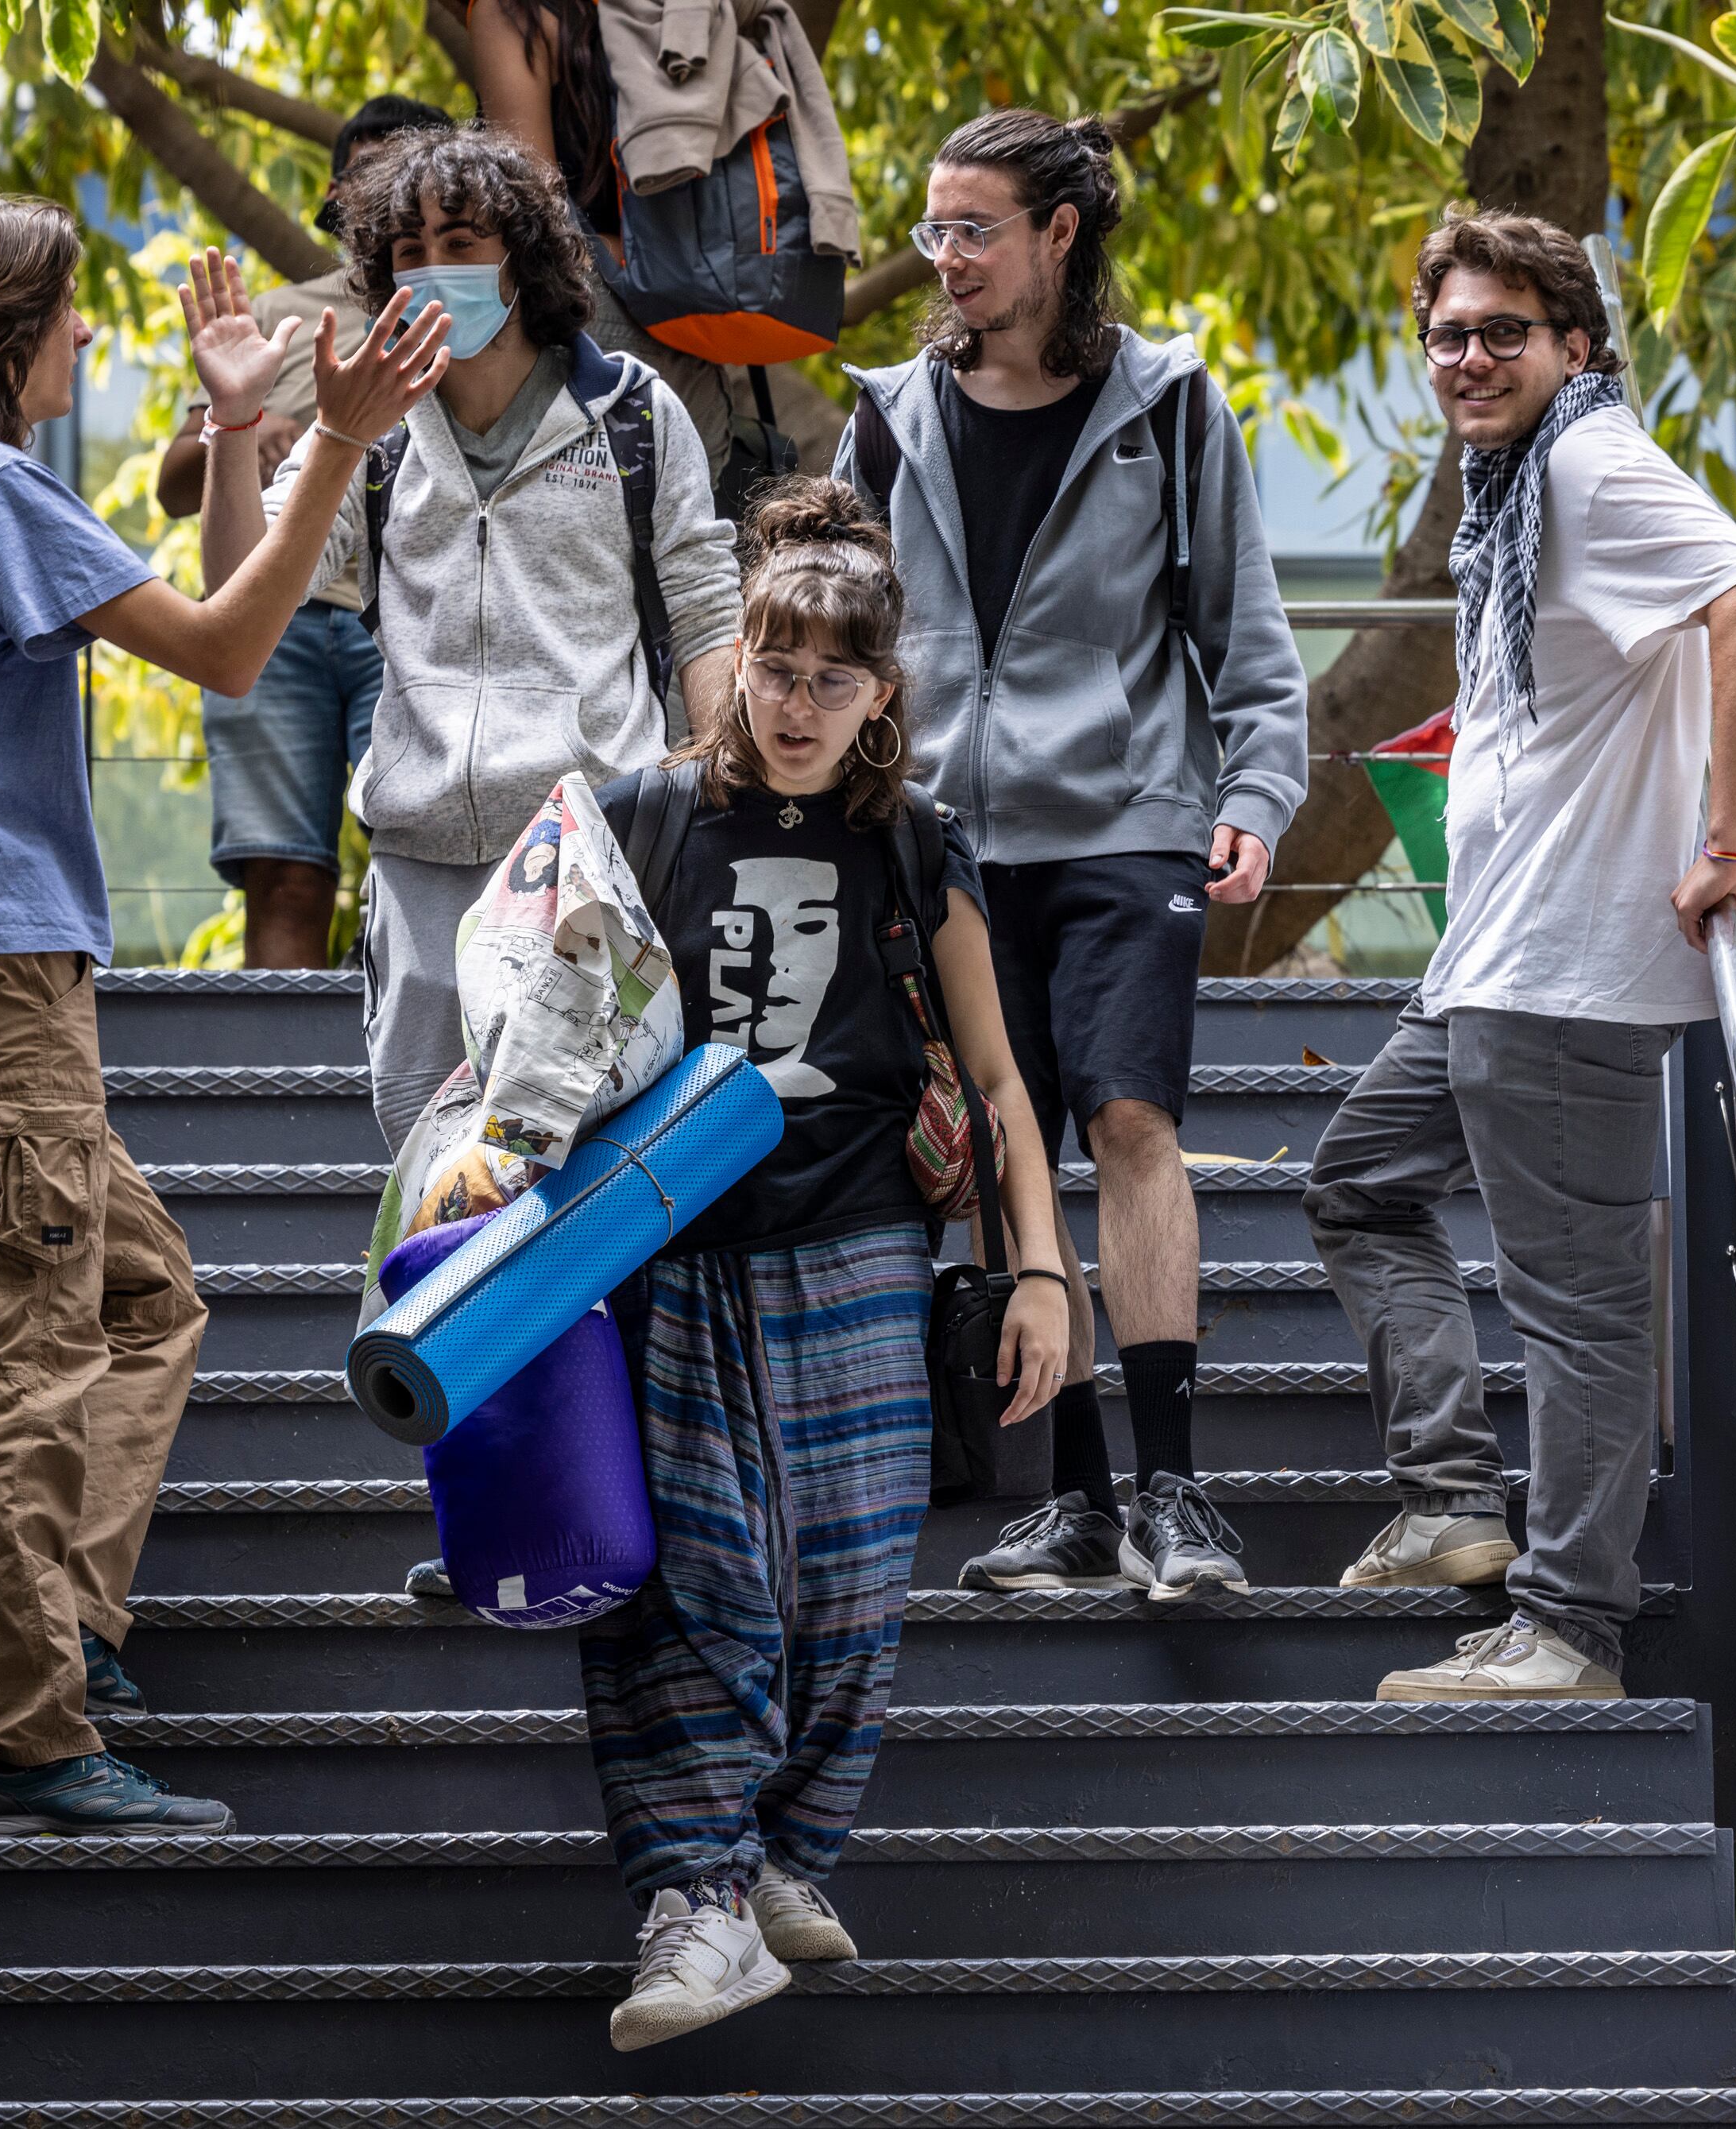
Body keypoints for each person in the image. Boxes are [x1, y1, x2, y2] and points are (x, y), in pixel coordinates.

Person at [0, 198, 453, 1833]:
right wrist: (337, 439)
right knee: (30, 1348)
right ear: (1, 339)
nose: (86, 345)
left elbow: (218, 601)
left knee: (147, 1294)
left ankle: (68, 1633)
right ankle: (23, 1740)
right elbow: (237, 649)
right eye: (69, 318)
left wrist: (241, 417)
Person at [581, 478, 1071, 2050]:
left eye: (830, 681)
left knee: (850, 1583)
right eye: (775, 668)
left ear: (880, 700)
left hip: (863, 1238)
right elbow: (549, 1030)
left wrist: (1048, 1277)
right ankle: (694, 1897)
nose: (793, 706)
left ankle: (787, 1849)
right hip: (671, 1245)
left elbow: (999, 1087)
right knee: (691, 1576)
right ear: (741, 661)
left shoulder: (915, 844)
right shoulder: (646, 811)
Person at [1301, 211, 1736, 1702]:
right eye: (1447, 333)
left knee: (1577, 1309)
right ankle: (1454, 1492)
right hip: (1492, 963)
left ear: (1573, 348)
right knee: (1357, 1183)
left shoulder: (1588, 462)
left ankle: (1572, 1623)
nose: (1469, 356)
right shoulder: (1513, 488)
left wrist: (1724, 838)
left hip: (1567, 979)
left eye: (1502, 330)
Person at [834, 110, 1309, 1604]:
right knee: (1005, 1152)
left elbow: (1250, 638)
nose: (949, 259)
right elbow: (844, 641)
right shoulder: (887, 415)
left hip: (1128, 819)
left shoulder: (1166, 406)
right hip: (954, 838)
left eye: (978, 228)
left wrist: (1259, 790)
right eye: (934, 230)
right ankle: (1085, 1501)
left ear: (1060, 233)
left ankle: (1178, 1491)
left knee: (1129, 1123)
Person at [212, 124, 741, 1148]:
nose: (432, 271)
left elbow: (707, 609)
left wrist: (718, 802)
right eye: (407, 252)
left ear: (523, 258)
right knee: (432, 1179)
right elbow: (249, 592)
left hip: (592, 852)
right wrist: (234, 426)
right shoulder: (363, 433)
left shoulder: (634, 415)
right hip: (419, 865)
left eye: (460, 242)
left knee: (581, 1176)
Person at [154, 94, 451, 969]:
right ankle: (275, 1091)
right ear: (334, 193)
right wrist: (241, 436)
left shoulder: (470, 311)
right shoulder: (282, 311)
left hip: (403, 617)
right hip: (273, 623)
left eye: (409, 170)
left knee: (418, 869)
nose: (386, 191)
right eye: (368, 175)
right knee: (284, 877)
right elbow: (174, 482)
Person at [461, 0, 736, 477]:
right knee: (679, 523)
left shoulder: (514, 14)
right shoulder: (686, 15)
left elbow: (534, 209)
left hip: (590, 315)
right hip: (698, 320)